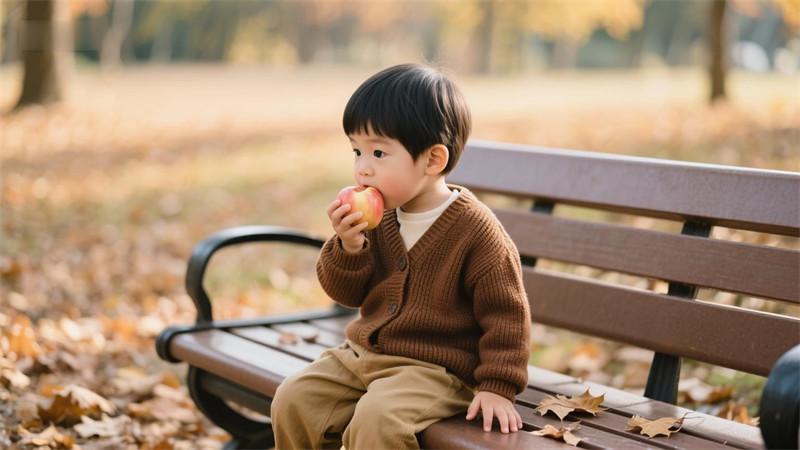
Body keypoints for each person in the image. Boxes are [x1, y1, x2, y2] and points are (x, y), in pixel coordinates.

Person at [271, 63, 531, 450]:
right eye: (356, 150)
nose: (362, 168)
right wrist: (349, 247)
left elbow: (507, 315)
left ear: (432, 160)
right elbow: (346, 294)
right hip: (361, 355)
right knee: (293, 400)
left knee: (377, 424)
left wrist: (498, 386)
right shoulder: (377, 218)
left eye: (378, 152)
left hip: (434, 370)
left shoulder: (476, 231)